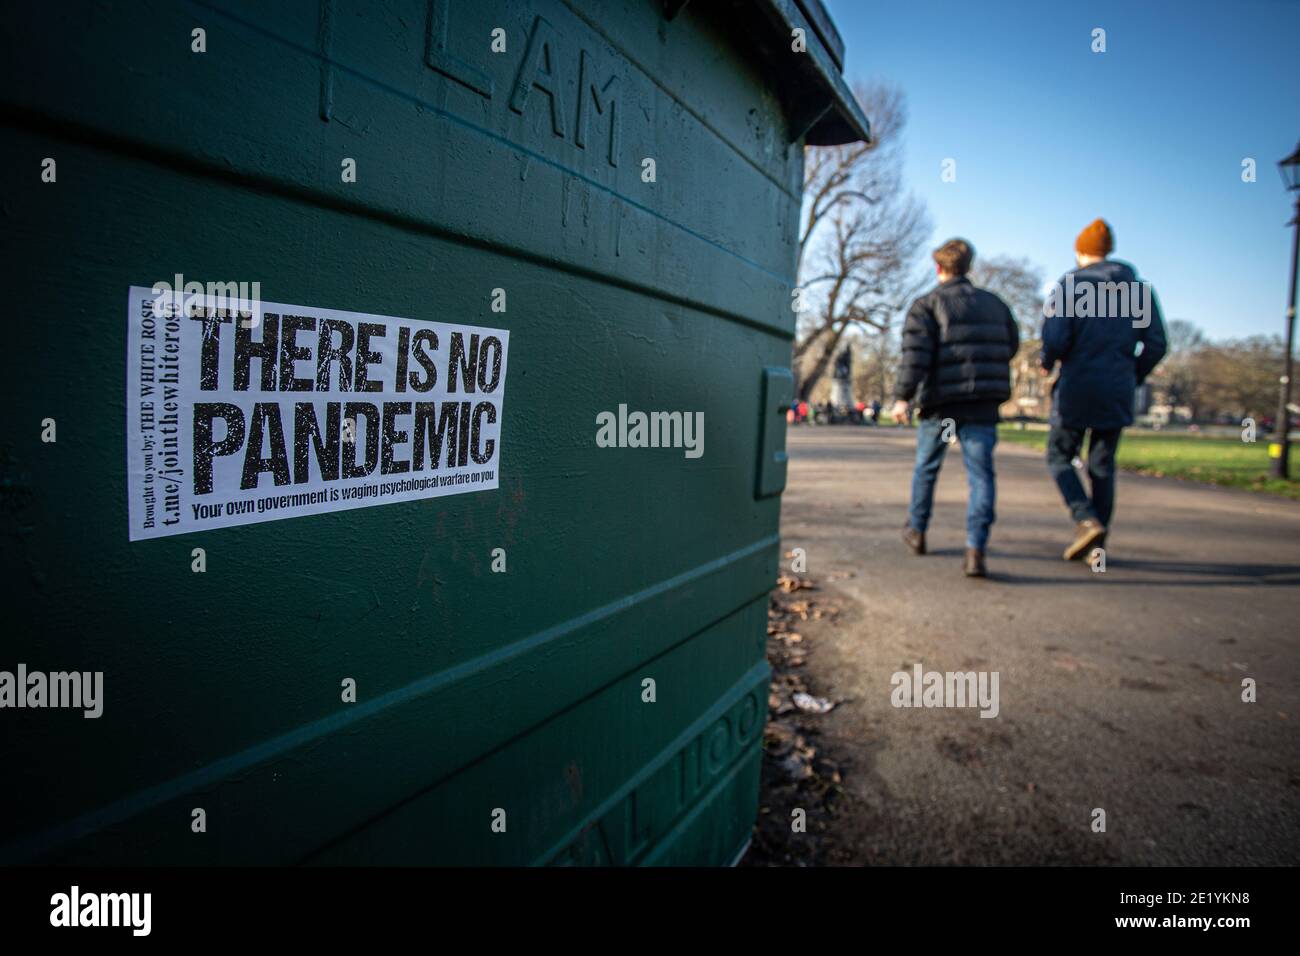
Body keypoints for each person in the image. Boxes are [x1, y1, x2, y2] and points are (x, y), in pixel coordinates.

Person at [1040, 219, 1167, 560]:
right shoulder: (1136, 291)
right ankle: (1099, 548)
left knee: (1059, 456)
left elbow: (1055, 338)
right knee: (1102, 465)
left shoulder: (1070, 287)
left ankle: (1085, 518)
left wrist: (1048, 360)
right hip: (1117, 388)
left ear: (1080, 251)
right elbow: (1156, 344)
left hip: (1077, 386)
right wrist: (1132, 375)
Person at [893, 239, 1018, 577]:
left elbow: (915, 356)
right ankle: (975, 548)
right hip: (982, 404)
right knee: (980, 476)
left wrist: (902, 396)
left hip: (941, 405)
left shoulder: (927, 305)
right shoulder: (996, 305)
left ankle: (917, 530)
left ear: (938, 268)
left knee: (927, 467)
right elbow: (1011, 345)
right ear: (968, 266)